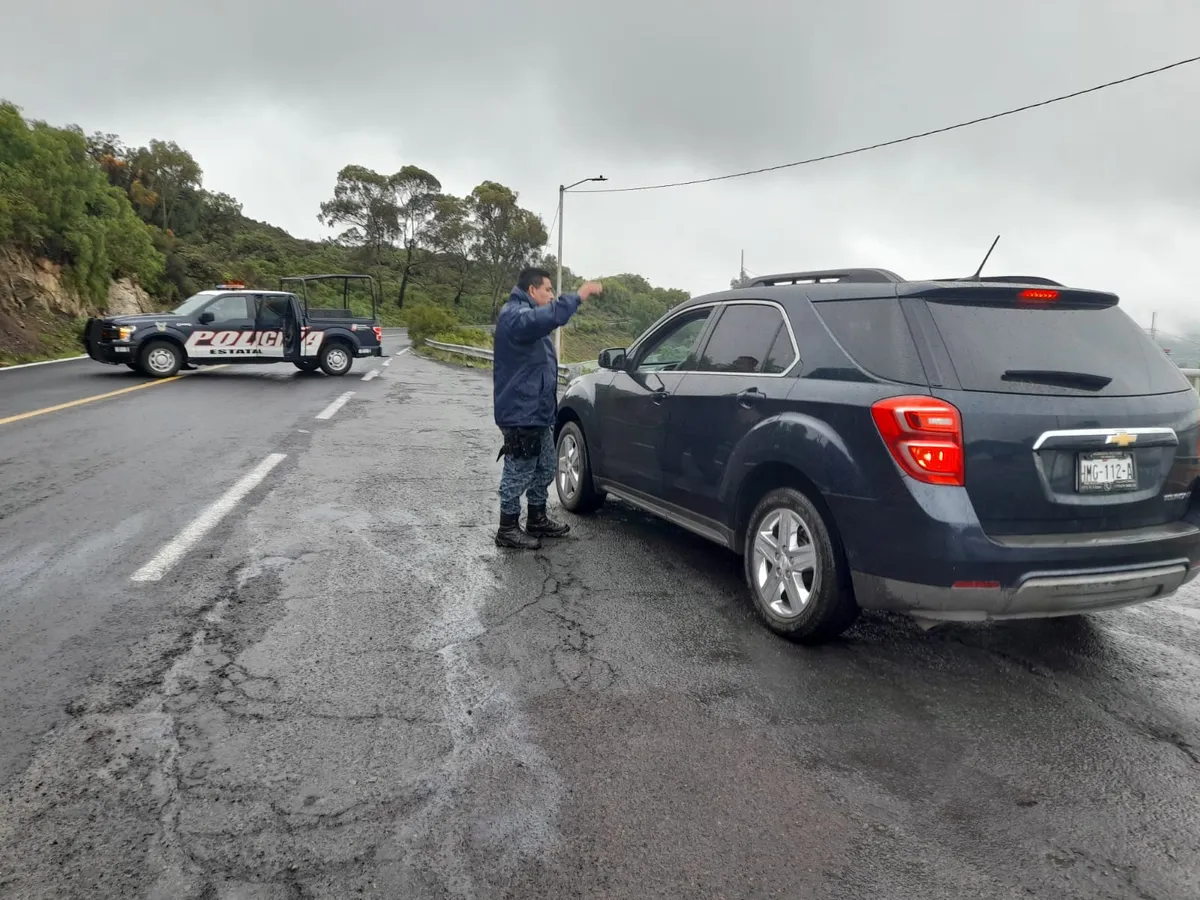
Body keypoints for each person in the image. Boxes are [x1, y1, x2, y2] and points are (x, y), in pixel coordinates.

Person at [492, 266, 603, 549]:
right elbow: (550, 315)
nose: (552, 295)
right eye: (548, 290)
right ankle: (507, 528)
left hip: (537, 410)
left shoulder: (529, 319)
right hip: (520, 412)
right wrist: (578, 295)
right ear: (532, 291)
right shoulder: (516, 316)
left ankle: (537, 518)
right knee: (519, 469)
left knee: (545, 467)